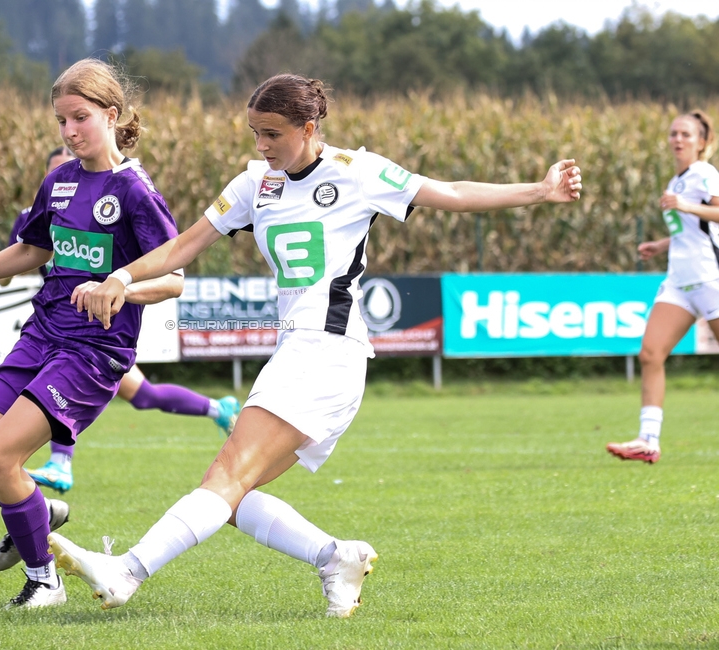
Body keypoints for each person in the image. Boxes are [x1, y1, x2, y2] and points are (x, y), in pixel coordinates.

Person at [48, 73, 583, 618]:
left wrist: (538, 191)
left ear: (308, 128)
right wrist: (120, 278)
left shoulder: (358, 173)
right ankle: (337, 557)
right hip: (304, 353)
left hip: (327, 350)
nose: (261, 145)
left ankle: (127, 572)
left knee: (225, 479)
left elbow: (450, 193)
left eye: (273, 134)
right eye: (255, 133)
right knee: (230, 498)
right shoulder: (253, 184)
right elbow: (181, 249)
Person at [0, 58, 182, 609]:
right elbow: (32, 249)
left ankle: (44, 579)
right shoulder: (60, 180)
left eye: (81, 118)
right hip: (41, 334)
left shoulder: (134, 190)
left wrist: (120, 287)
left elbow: (172, 278)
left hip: (94, 350)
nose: (70, 131)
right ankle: (38, 507)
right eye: (61, 121)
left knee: (1, 458)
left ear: (112, 114)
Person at [4, 147, 240, 495]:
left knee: (140, 395)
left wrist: (118, 287)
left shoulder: (123, 194)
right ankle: (217, 408)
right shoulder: (35, 214)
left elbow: (172, 276)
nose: (71, 176)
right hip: (56, 322)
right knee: (141, 395)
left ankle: (60, 464)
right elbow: (18, 261)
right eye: (58, 169)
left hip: (98, 331)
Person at [607, 111, 719, 464]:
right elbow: (690, 231)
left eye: (686, 134)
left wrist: (686, 205)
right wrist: (660, 244)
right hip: (679, 281)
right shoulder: (676, 181)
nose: (677, 139)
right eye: (673, 133)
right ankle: (647, 440)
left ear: (702, 142)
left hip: (710, 277)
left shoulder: (704, 173)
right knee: (651, 354)